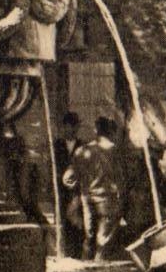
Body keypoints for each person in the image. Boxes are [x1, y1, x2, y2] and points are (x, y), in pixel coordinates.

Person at [62, 115, 124, 262]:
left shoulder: (83, 150)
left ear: (96, 130)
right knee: (103, 240)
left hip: (87, 198)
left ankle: (86, 266)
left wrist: (80, 186)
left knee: (89, 237)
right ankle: (99, 267)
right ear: (110, 131)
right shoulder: (115, 151)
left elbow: (67, 178)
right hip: (107, 199)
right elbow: (122, 178)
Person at [52, 112, 85, 258]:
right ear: (64, 127)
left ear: (77, 127)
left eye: (73, 126)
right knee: (62, 220)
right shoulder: (56, 145)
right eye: (67, 126)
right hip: (61, 190)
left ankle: (76, 253)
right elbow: (53, 168)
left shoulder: (82, 146)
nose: (70, 129)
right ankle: (63, 253)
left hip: (77, 190)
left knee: (77, 222)